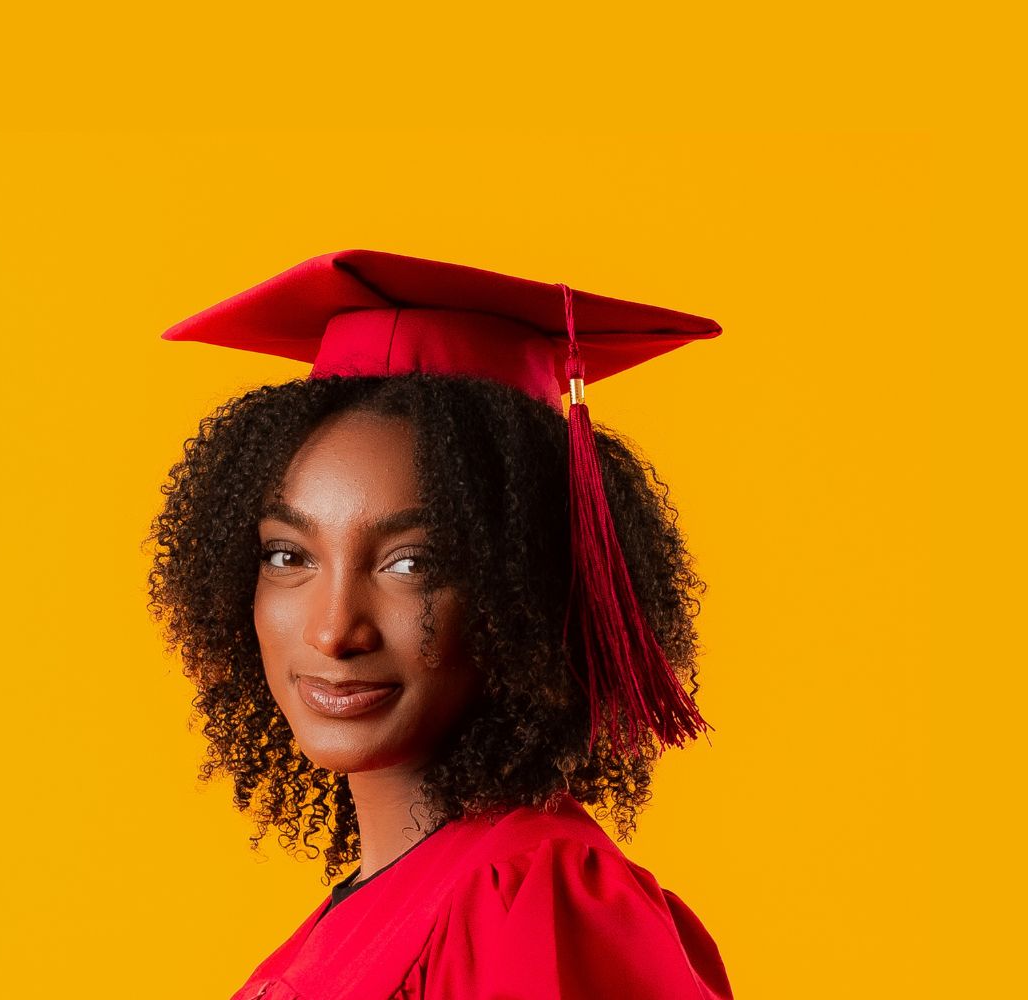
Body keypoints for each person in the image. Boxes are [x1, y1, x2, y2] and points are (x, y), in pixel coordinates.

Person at [144, 249, 734, 999]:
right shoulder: (373, 909)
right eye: (289, 554)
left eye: (412, 565)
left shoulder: (531, 895)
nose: (334, 632)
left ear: (524, 588)